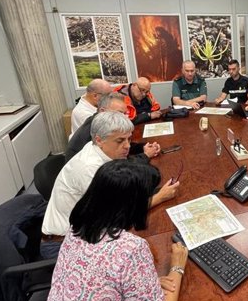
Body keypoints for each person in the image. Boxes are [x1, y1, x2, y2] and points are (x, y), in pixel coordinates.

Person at [29, 161, 216, 301]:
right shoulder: (130, 249)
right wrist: (177, 267)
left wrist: (146, 286)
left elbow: (104, 280)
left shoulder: (76, 229)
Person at [41, 111, 178, 259]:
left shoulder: (97, 148)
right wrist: (160, 197)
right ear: (99, 140)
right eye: (120, 141)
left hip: (87, 229)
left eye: (129, 139)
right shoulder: (89, 169)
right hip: (64, 244)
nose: (127, 146)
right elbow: (119, 213)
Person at [65, 92, 129, 161]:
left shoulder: (100, 121)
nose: (125, 118)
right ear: (102, 111)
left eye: (125, 113)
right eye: (119, 113)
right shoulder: (95, 129)